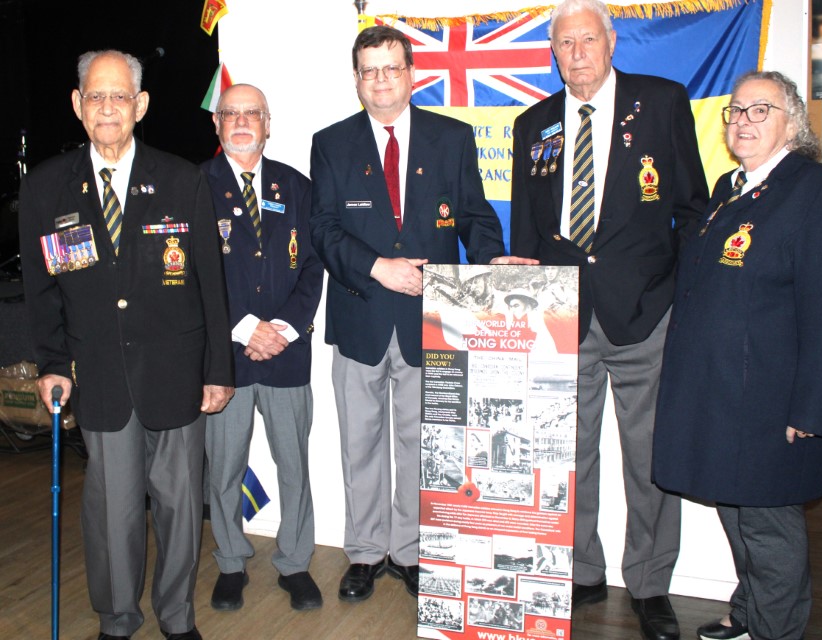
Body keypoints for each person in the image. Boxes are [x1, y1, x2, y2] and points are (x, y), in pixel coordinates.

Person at [310, 25, 536, 602]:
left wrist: (491, 258)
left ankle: (410, 552)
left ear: (412, 74)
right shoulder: (331, 143)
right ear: (357, 80)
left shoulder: (451, 139)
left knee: (421, 445)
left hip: (431, 321)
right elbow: (324, 231)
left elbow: (475, 217)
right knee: (359, 444)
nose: (380, 80)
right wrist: (377, 267)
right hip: (360, 317)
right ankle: (364, 553)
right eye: (369, 70)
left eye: (391, 68)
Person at [509, 1, 709, 639]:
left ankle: (650, 584)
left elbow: (692, 209)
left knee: (650, 458)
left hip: (645, 312)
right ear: (553, 51)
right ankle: (582, 572)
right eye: (564, 44)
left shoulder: (663, 102)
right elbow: (525, 230)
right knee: (568, 458)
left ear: (611, 41)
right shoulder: (531, 123)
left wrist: (679, 297)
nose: (576, 53)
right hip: (565, 314)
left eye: (587, 40)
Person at [18, 50, 234, 640]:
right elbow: (42, 293)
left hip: (177, 372)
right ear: (77, 105)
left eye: (119, 97)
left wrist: (219, 369)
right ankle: (117, 617)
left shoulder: (181, 179)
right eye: (95, 96)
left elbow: (210, 286)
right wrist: (53, 364)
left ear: (139, 105)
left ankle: (176, 616)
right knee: (111, 514)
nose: (107, 107)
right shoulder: (44, 189)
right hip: (103, 377)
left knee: (180, 509)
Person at [653, 71, 822, 640]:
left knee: (767, 525)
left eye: (760, 110)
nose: (743, 121)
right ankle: (751, 611)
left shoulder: (816, 189)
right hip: (720, 393)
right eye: (735, 111)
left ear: (793, 123)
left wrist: (812, 409)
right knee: (736, 511)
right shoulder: (728, 187)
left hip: (771, 398)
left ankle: (776, 630)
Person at [202, 84, 324, 613]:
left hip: (287, 353)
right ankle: (231, 560)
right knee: (223, 465)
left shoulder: (298, 186)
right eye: (230, 113)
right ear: (217, 125)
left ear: (269, 123)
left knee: (294, 463)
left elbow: (315, 265)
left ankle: (295, 562)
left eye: (252, 113)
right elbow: (190, 277)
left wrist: (284, 328)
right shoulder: (192, 187)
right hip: (223, 358)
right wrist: (245, 326)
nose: (241, 121)